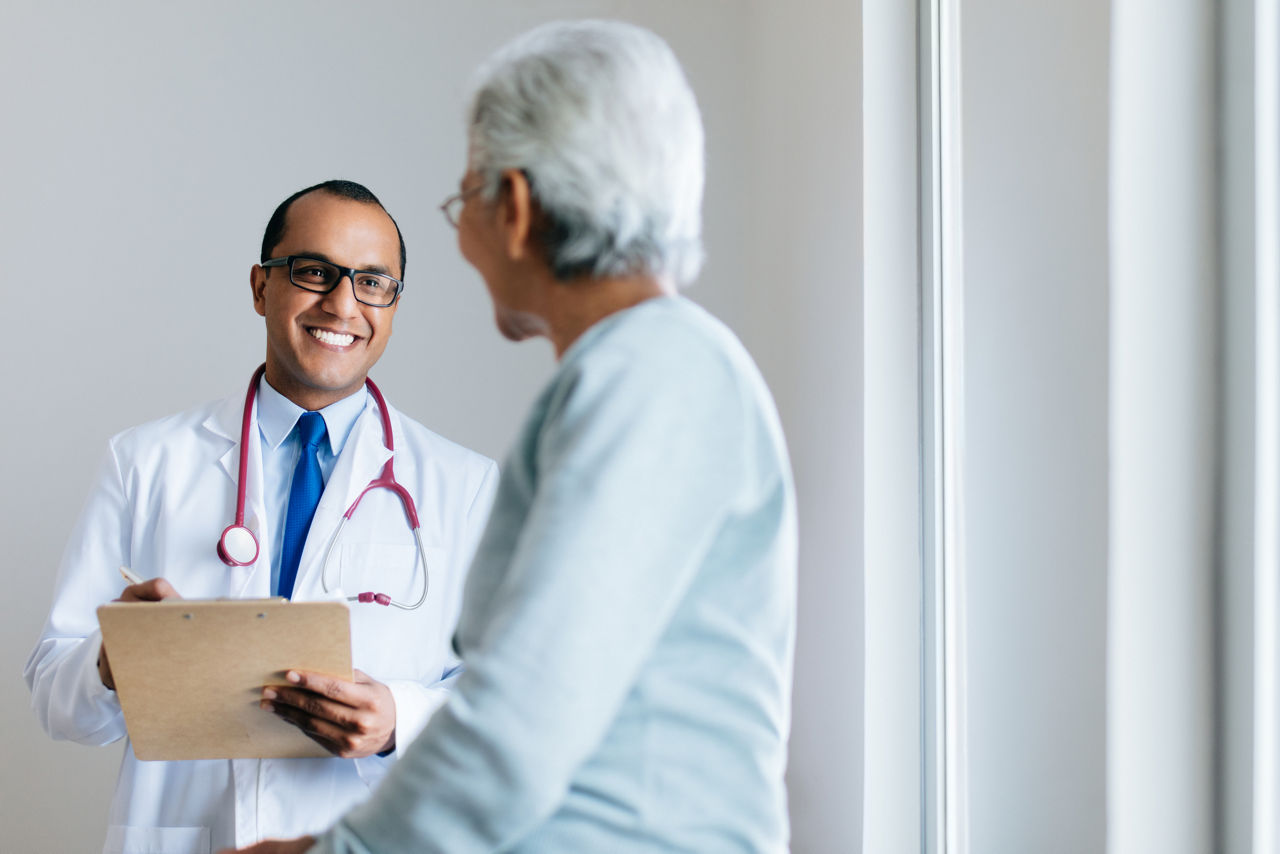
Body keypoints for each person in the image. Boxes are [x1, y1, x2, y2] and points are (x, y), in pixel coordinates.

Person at [230, 19, 798, 854]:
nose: (464, 235)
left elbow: (519, 717)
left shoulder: (653, 374)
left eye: (468, 200)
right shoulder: (638, 373)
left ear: (518, 207)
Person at [25, 179, 499, 854]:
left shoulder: (465, 485)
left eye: (372, 282)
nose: (342, 304)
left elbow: (507, 709)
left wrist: (401, 717)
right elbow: (53, 696)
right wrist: (113, 657)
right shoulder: (145, 462)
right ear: (260, 287)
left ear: (393, 305)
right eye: (314, 272)